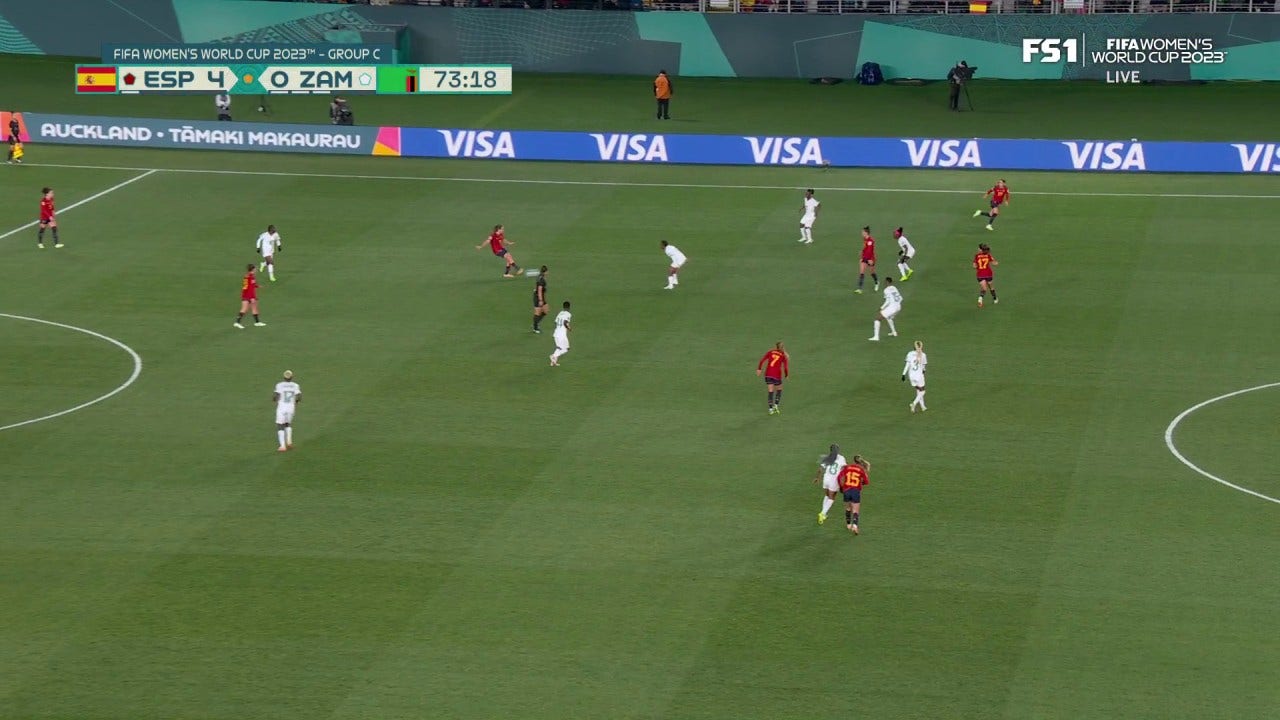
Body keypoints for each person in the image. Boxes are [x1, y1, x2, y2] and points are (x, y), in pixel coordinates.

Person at [837, 455, 870, 535]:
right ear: (860, 462)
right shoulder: (861, 470)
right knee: (855, 510)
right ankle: (855, 526)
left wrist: (841, 487)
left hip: (846, 490)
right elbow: (866, 482)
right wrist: (860, 483)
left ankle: (848, 524)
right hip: (855, 491)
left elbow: (839, 477)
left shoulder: (847, 467)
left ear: (854, 461)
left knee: (848, 508)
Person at [814, 443, 846, 525]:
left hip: (826, 478)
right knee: (832, 498)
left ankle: (823, 514)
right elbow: (843, 470)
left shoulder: (828, 458)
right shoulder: (841, 458)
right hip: (834, 480)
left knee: (827, 495)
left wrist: (817, 478)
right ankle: (822, 514)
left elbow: (820, 469)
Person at [755, 341, 789, 415]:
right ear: (783, 348)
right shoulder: (783, 355)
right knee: (779, 389)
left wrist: (759, 369)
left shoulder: (771, 352)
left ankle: (770, 409)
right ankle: (776, 406)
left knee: (770, 390)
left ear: (776, 346)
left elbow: (762, 360)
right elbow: (785, 367)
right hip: (776, 375)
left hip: (768, 374)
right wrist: (786, 375)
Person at [272, 370, 301, 452]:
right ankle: (289, 442)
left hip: (282, 407)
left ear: (284, 377)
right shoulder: (295, 385)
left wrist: (274, 400)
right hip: (291, 407)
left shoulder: (279, 385)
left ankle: (282, 446)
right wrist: (295, 403)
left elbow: (275, 396)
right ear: (292, 377)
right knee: (287, 424)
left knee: (280, 425)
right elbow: (299, 397)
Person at [869, 276, 902, 342]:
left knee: (877, 319)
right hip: (898, 306)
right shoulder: (894, 288)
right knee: (889, 317)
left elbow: (887, 301)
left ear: (887, 282)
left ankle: (876, 337)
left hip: (893, 307)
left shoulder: (886, 290)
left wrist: (881, 307)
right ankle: (894, 333)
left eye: (885, 282)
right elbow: (900, 298)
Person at [234, 263, 266, 328]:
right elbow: (248, 288)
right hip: (248, 295)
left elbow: (252, 285)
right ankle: (237, 322)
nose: (256, 269)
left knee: (254, 308)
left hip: (248, 294)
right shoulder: (249, 277)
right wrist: (252, 298)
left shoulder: (249, 276)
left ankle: (257, 322)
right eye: (255, 268)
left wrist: (258, 286)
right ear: (253, 269)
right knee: (244, 309)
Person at [902, 340, 928, 413]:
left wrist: (903, 374)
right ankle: (914, 403)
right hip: (919, 375)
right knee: (923, 391)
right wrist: (923, 371)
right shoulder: (923, 355)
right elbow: (923, 366)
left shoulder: (910, 354)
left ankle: (923, 406)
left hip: (911, 375)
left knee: (918, 389)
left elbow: (907, 365)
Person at [974, 243, 999, 307]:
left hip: (980, 275)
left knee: (984, 289)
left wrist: (977, 266)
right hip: (988, 274)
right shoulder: (988, 255)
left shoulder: (976, 256)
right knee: (991, 287)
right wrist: (996, 263)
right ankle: (995, 298)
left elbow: (974, 266)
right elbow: (994, 263)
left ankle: (980, 299)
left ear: (981, 250)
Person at [855, 226, 878, 294]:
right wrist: (862, 252)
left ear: (866, 233)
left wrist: (869, 260)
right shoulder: (865, 239)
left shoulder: (870, 241)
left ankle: (876, 282)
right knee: (862, 272)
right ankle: (860, 289)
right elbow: (865, 248)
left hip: (871, 259)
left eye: (863, 232)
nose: (862, 233)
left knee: (872, 273)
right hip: (865, 258)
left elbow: (870, 251)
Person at [549, 300, 572, 366]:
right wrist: (569, 328)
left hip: (556, 333)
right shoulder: (568, 314)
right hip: (562, 334)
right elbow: (565, 322)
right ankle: (553, 356)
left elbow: (555, 322)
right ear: (569, 307)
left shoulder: (560, 313)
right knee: (566, 349)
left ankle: (553, 362)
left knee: (559, 348)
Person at [532, 265, 549, 333]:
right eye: (547, 271)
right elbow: (539, 290)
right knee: (537, 312)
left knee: (546, 311)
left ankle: (535, 323)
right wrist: (540, 300)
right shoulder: (541, 280)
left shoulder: (540, 276)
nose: (548, 272)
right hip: (538, 297)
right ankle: (535, 328)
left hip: (541, 296)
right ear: (545, 272)